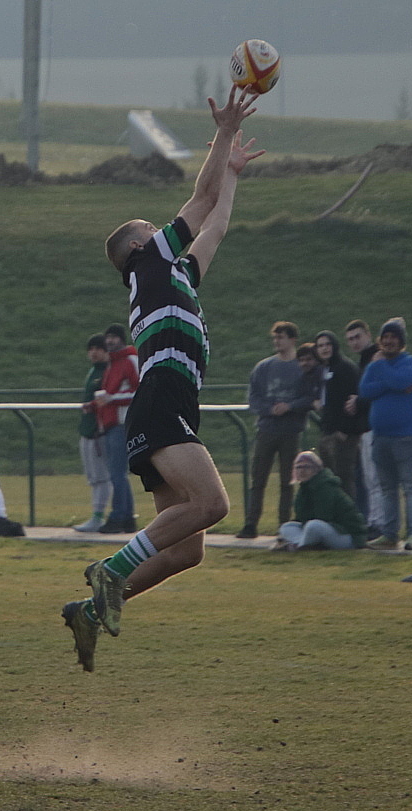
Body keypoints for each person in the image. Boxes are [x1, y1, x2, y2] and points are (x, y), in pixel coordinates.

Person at [62, 85, 265, 671]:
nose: (164, 229)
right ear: (138, 243)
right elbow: (200, 198)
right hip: (161, 397)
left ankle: (90, 611)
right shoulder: (148, 260)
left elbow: (215, 223)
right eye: (153, 226)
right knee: (213, 504)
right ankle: (111, 571)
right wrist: (224, 131)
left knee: (186, 552)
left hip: (167, 401)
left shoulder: (171, 274)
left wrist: (232, 174)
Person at [236, 322, 317, 539]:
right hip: (267, 429)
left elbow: (310, 397)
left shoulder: (301, 367)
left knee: (287, 481)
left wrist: (290, 406)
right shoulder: (264, 367)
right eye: (275, 338)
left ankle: (284, 525)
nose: (277, 342)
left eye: (281, 337)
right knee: (258, 478)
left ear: (292, 339)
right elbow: (253, 398)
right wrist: (269, 409)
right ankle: (251, 523)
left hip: (291, 431)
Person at [358, 317, 412, 551]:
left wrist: (383, 370)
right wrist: (391, 384)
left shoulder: (411, 362)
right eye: (385, 337)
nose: (388, 341)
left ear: (401, 341)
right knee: (387, 488)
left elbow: (402, 380)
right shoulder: (374, 366)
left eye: (393, 337)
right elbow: (365, 390)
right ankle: (389, 534)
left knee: (410, 487)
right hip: (381, 436)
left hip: (406, 437)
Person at [93, 323, 139, 533]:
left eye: (114, 337)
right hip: (112, 422)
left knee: (117, 473)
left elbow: (139, 391)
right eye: (108, 337)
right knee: (118, 474)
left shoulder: (129, 360)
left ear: (122, 339)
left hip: (122, 422)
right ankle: (127, 518)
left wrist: (111, 399)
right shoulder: (113, 362)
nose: (110, 340)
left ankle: (118, 516)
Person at [273, 451, 368, 551]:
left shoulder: (325, 486)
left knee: (313, 526)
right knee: (287, 527)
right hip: (327, 529)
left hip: (347, 536)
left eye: (306, 467)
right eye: (298, 467)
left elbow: (324, 517)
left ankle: (298, 546)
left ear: (316, 469)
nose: (302, 471)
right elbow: (301, 517)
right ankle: (307, 544)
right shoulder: (305, 487)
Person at [313, 329, 366, 500]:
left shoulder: (345, 368)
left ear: (335, 345)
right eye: (320, 345)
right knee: (330, 480)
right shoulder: (324, 369)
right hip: (327, 433)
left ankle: (349, 514)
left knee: (344, 480)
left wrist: (344, 430)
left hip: (343, 436)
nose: (324, 348)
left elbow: (354, 401)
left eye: (328, 344)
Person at [343, 319, 382, 535]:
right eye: (350, 339)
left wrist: (358, 402)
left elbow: (378, 391)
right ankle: (373, 521)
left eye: (358, 337)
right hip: (366, 426)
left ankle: (379, 523)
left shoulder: (376, 358)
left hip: (376, 425)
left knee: (375, 478)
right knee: (369, 478)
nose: (354, 342)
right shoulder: (365, 360)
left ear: (368, 334)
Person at [73, 334, 112, 533]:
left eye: (98, 349)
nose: (94, 353)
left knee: (101, 477)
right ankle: (96, 514)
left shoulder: (108, 371)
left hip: (99, 432)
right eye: (91, 349)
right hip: (87, 429)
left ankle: (98, 515)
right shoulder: (93, 371)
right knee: (92, 477)